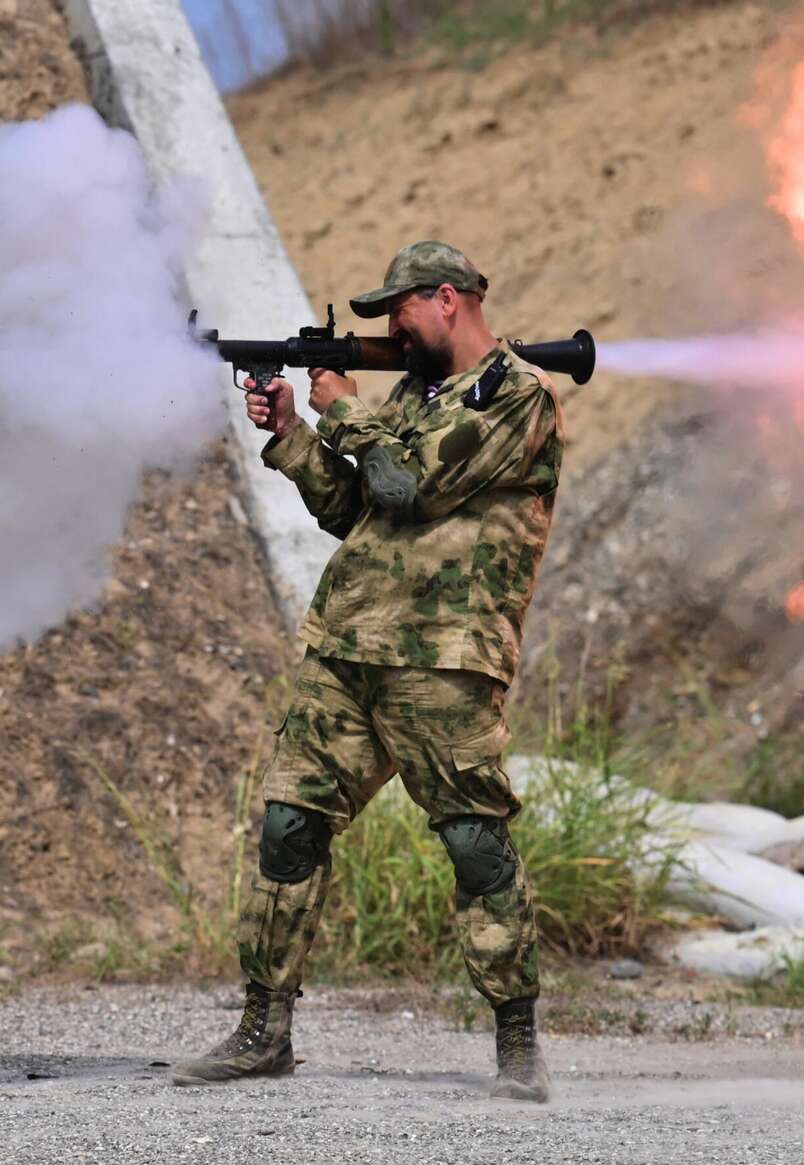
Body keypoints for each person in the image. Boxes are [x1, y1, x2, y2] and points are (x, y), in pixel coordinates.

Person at [172, 242, 563, 1101]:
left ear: (450, 299)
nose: (390, 325)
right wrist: (294, 435)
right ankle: (262, 1031)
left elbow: (408, 486)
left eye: (402, 308)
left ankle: (518, 1046)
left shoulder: (517, 397)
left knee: (474, 842)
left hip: (443, 663)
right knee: (288, 828)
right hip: (351, 650)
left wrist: (345, 412)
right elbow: (359, 511)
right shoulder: (413, 396)